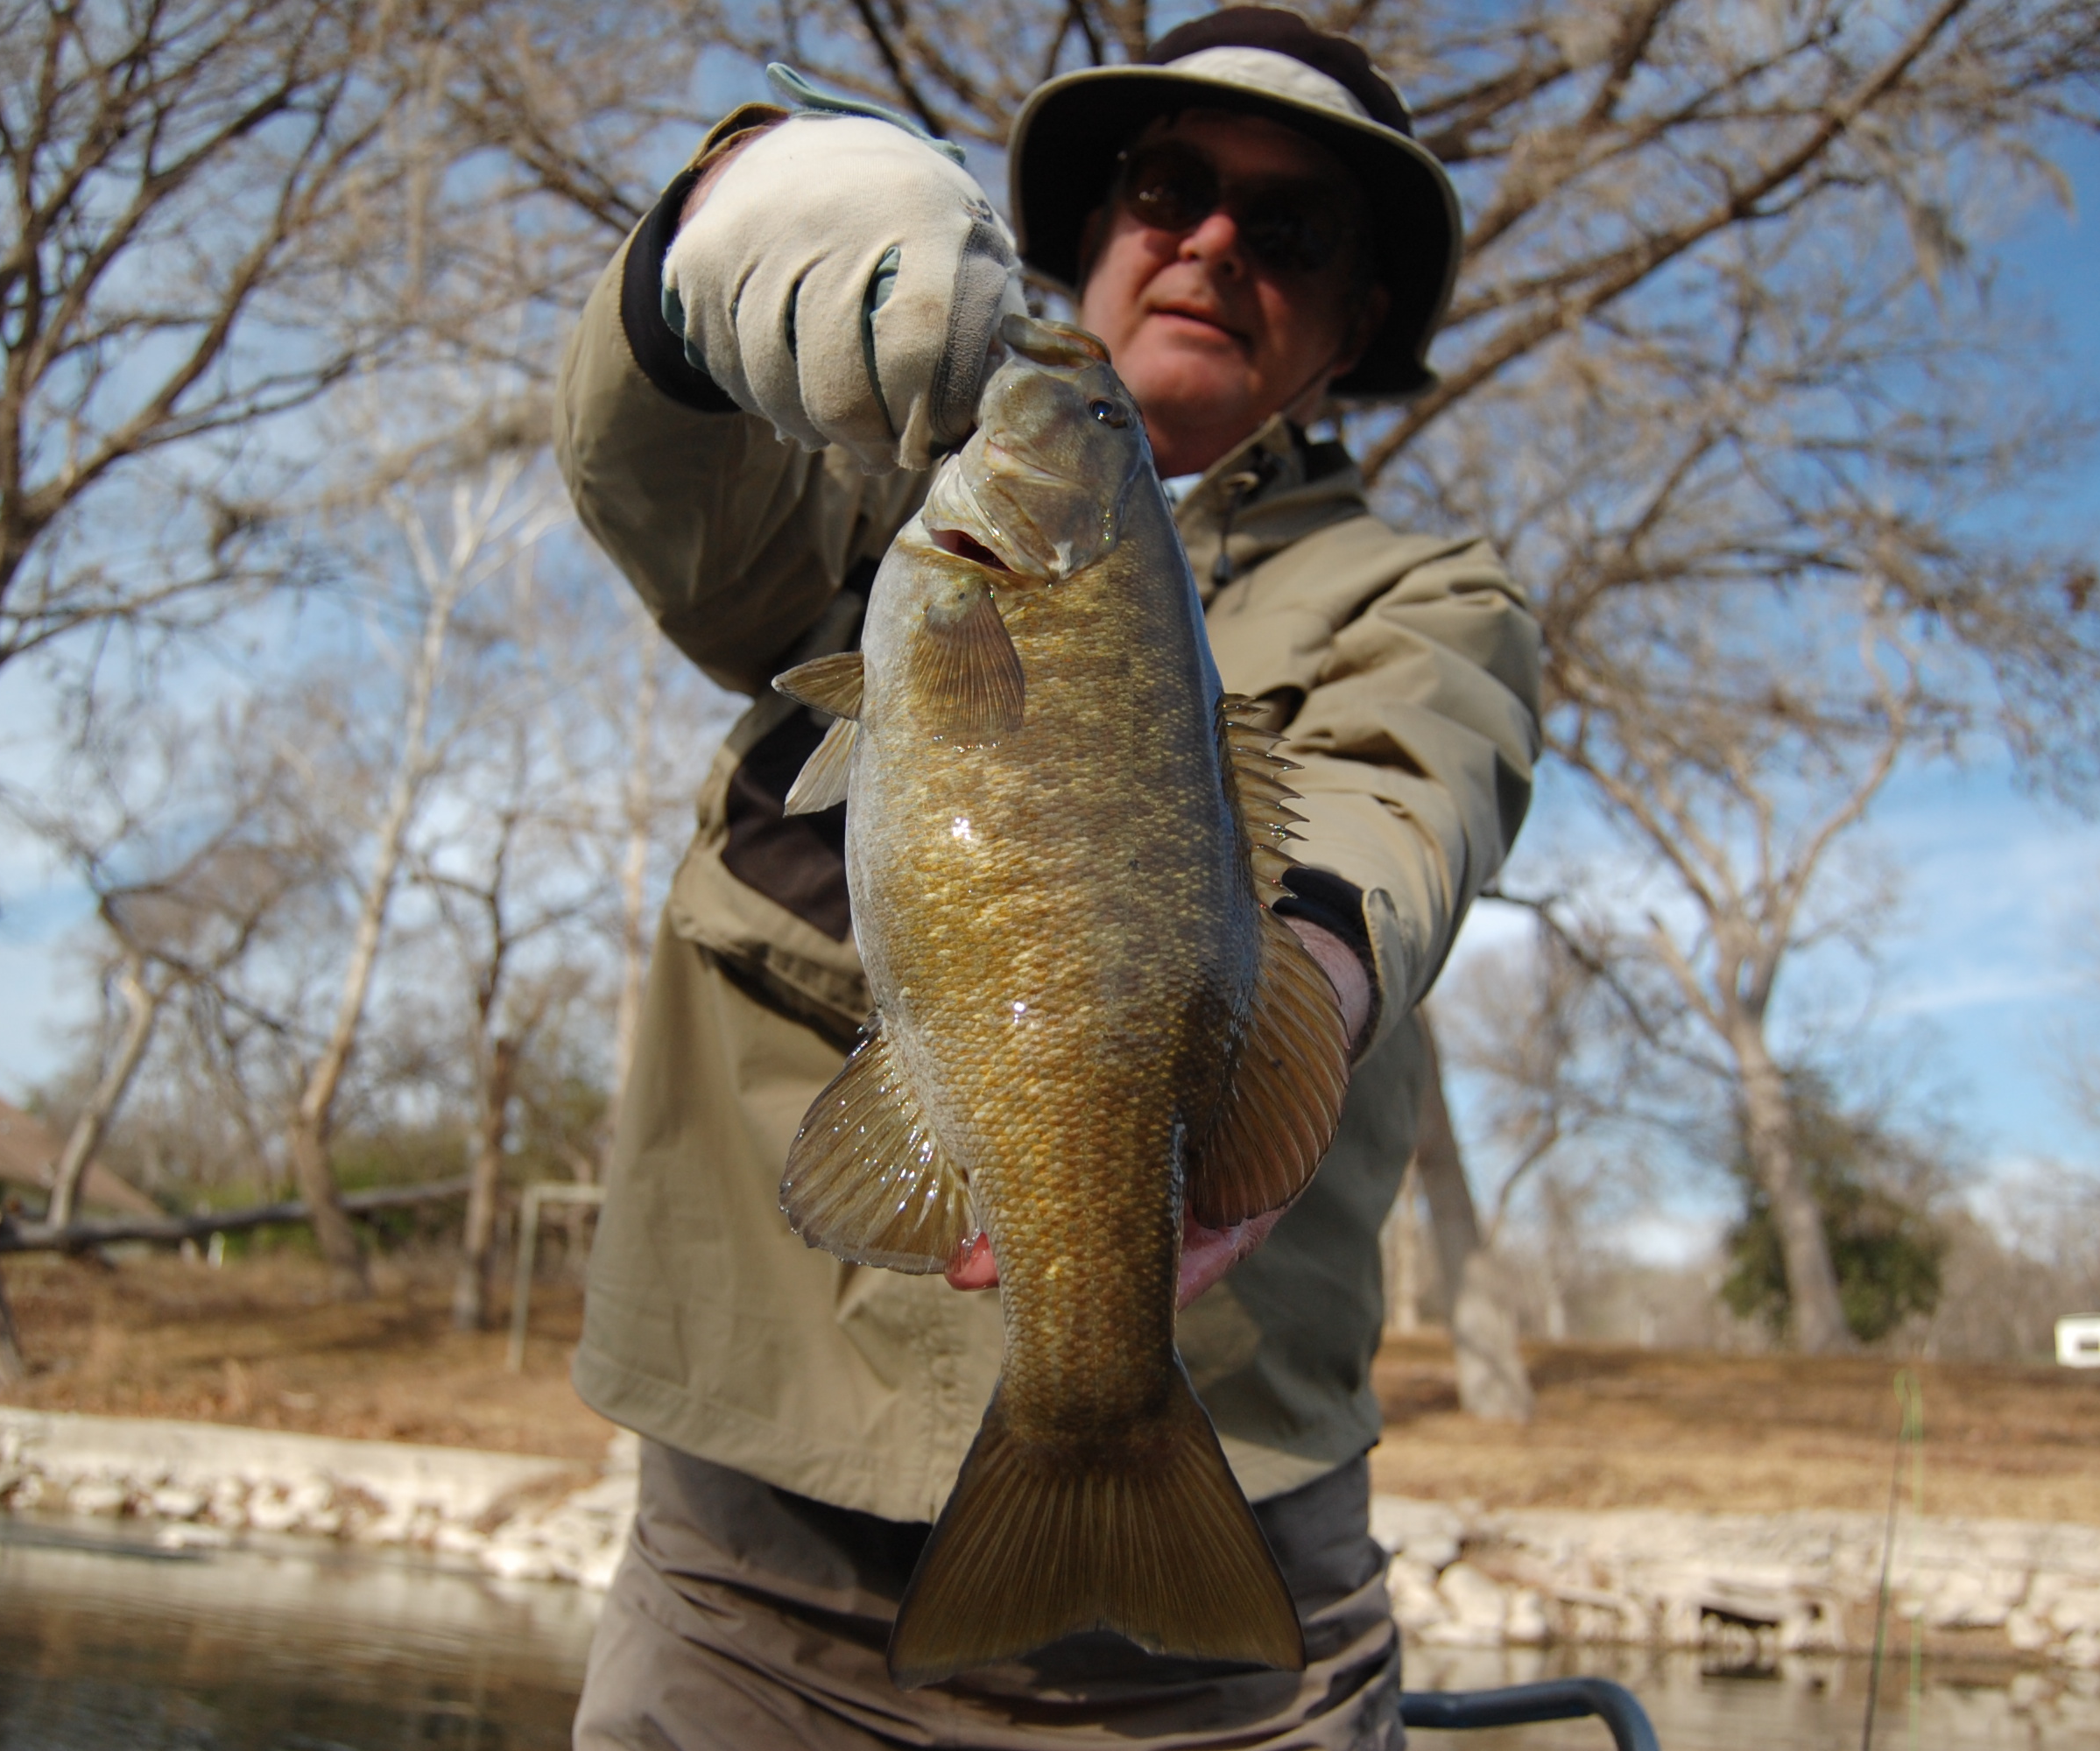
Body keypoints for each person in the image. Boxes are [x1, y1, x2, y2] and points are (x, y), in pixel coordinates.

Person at [552, 10, 1540, 1747]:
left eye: (1291, 228)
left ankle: (1105, 1440)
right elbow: (676, 503)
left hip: (1221, 1615)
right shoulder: (880, 503)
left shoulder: (1427, 595)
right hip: (754, 1576)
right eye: (1171, 189)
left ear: (1360, 318)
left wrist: (1291, 996)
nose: (1215, 244)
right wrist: (714, 246)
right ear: (1089, 230)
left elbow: (1402, 814)